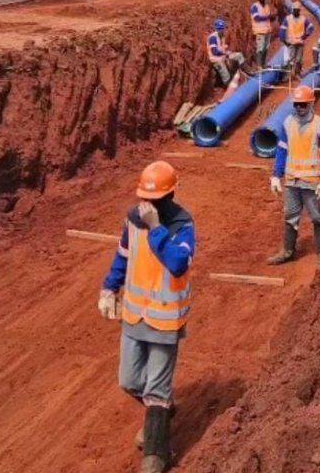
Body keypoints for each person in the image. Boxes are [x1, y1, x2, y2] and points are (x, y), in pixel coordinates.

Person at [98, 161, 195, 473]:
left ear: (169, 196)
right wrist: (109, 287)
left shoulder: (183, 225)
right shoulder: (132, 219)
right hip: (134, 315)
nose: (147, 205)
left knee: (156, 389)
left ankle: (156, 455)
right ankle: (162, 412)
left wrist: (156, 229)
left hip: (165, 320)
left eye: (153, 200)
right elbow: (123, 255)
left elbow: (178, 263)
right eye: (144, 198)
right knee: (128, 380)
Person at [268, 85, 320, 270]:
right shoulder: (287, 123)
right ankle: (288, 251)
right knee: (290, 216)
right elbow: (281, 150)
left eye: (303, 105)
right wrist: (275, 176)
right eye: (296, 104)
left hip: (311, 182)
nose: (299, 108)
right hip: (291, 181)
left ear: (311, 104)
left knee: (318, 218)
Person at [279, 2, 315, 78]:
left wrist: (305, 36)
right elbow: (282, 29)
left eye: (296, 10)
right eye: (294, 10)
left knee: (299, 60)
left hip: (300, 43)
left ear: (299, 10)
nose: (295, 11)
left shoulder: (303, 19)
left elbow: (311, 28)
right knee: (290, 59)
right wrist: (284, 40)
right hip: (291, 42)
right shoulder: (288, 18)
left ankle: (297, 74)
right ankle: (287, 75)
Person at [207, 18, 247, 86]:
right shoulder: (213, 38)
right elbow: (214, 52)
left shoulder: (222, 36)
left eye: (222, 29)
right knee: (226, 76)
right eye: (220, 29)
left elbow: (222, 48)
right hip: (216, 59)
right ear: (216, 29)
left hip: (223, 56)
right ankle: (228, 86)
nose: (221, 30)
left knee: (239, 55)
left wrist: (226, 50)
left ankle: (246, 71)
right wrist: (225, 53)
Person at [251, 0, 276, 70]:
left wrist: (272, 17)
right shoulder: (255, 6)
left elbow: (268, 18)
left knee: (266, 48)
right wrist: (268, 17)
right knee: (260, 48)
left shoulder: (266, 6)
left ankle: (263, 64)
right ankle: (259, 66)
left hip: (267, 30)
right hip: (259, 31)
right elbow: (256, 18)